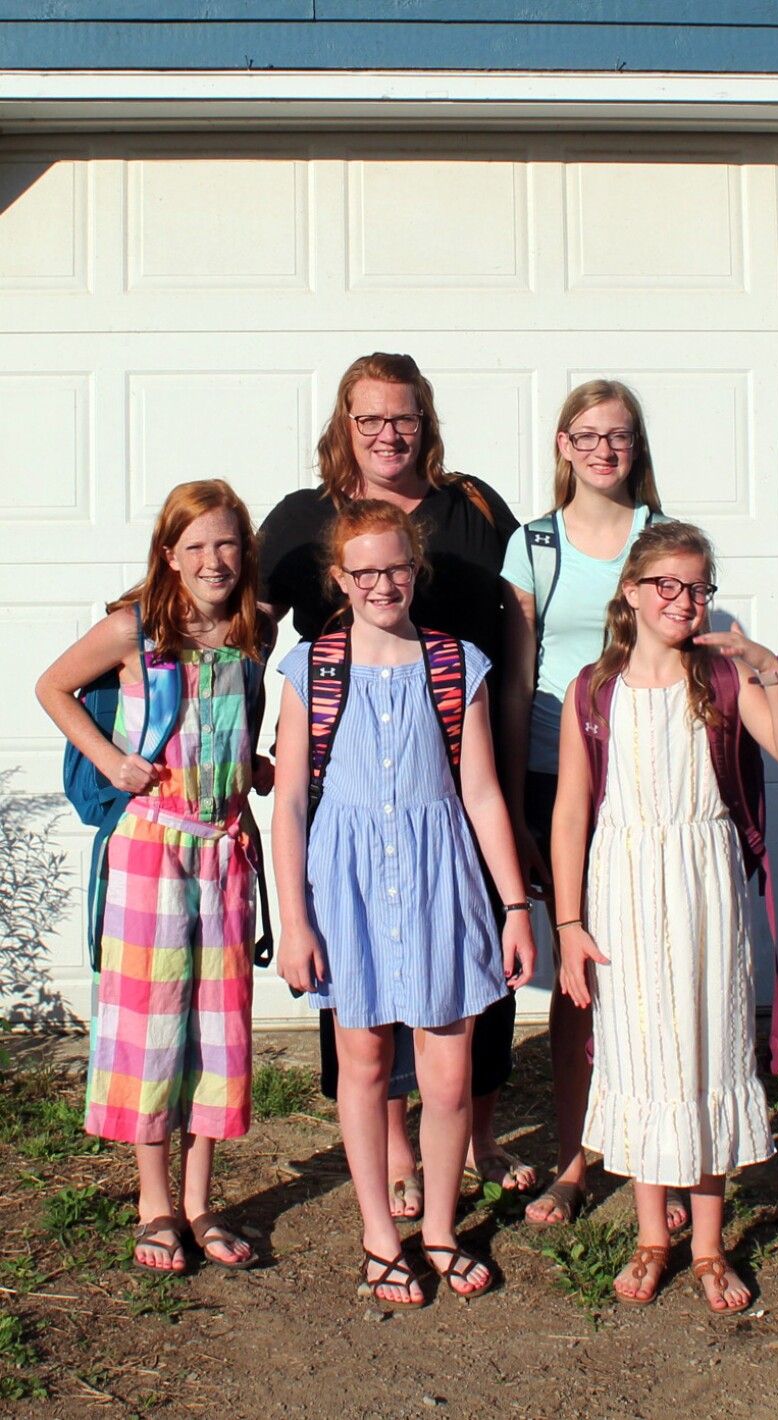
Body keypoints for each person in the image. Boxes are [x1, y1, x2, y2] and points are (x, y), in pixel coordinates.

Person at [260, 351, 536, 1215]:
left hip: (454, 770)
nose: (387, 433)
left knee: (467, 978)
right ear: (344, 424)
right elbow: (244, 620)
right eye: (369, 418)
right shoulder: (304, 519)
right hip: (350, 786)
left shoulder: (474, 508)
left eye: (404, 417)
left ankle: (473, 1135)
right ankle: (392, 1151)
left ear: (427, 422)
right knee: (364, 997)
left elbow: (527, 616)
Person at [552, 520, 778, 1311]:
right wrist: (567, 926)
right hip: (623, 891)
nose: (684, 599)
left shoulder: (725, 681)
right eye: (667, 583)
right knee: (639, 1057)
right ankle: (651, 1235)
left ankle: (706, 1247)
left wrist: (771, 670)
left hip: (704, 889)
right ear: (630, 593)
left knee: (704, 1050)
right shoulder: (593, 691)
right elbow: (570, 812)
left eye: (698, 587)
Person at [36, 480, 274, 1274]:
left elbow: (236, 727)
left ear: (246, 552)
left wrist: (256, 766)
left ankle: (202, 1200)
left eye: (227, 544)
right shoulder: (133, 631)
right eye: (196, 546)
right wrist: (110, 760)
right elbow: (52, 687)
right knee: (150, 1023)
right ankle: (154, 1203)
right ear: (169, 556)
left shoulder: (254, 633)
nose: (214, 560)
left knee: (217, 1026)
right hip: (150, 850)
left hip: (224, 850)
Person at [501, 379, 669, 1228]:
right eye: (589, 435)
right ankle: (572, 1164)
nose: (605, 450)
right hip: (545, 773)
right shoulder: (531, 543)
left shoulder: (659, 540)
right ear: (564, 444)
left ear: (637, 447)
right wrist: (499, 781)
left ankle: (659, 1162)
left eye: (621, 436)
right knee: (578, 976)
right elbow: (520, 667)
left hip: (635, 774)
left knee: (647, 975)